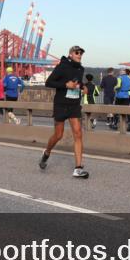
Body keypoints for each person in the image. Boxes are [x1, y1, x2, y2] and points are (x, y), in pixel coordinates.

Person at [39, 46, 88, 178]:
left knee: (78, 134)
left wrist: (83, 87)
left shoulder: (80, 68)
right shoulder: (62, 67)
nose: (79, 55)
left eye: (81, 53)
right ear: (71, 54)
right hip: (61, 105)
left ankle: (78, 168)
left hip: (74, 105)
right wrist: (65, 85)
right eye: (77, 53)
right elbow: (48, 82)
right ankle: (47, 152)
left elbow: (77, 82)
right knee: (58, 135)